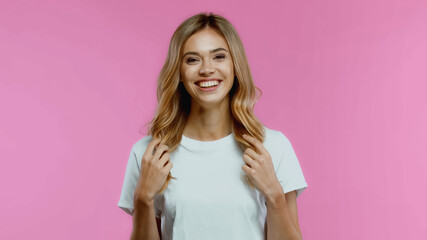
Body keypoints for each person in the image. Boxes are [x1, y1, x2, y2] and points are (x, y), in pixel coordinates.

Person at [117, 12, 308, 240]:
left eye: (218, 57)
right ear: (178, 72)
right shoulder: (150, 155)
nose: (207, 69)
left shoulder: (273, 148)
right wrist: (143, 197)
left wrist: (274, 195)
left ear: (235, 65)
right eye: (192, 59)